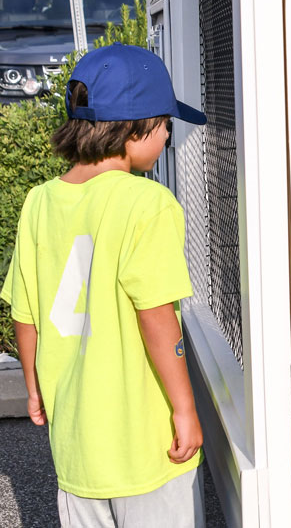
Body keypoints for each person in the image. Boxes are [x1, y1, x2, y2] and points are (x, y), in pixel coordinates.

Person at [1, 43, 207, 527]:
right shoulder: (148, 203)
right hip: (146, 445)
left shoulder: (39, 201)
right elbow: (156, 315)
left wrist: (34, 387)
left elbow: (24, 313)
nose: (166, 139)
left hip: (77, 449)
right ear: (137, 128)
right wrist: (184, 409)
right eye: (166, 126)